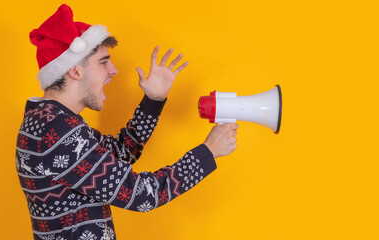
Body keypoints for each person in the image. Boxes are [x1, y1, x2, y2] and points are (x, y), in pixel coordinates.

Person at [16, 4, 238, 240]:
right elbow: (142, 195)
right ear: (75, 72)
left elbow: (119, 153)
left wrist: (153, 100)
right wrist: (208, 152)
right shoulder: (57, 130)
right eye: (103, 62)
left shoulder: (49, 121)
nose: (113, 70)